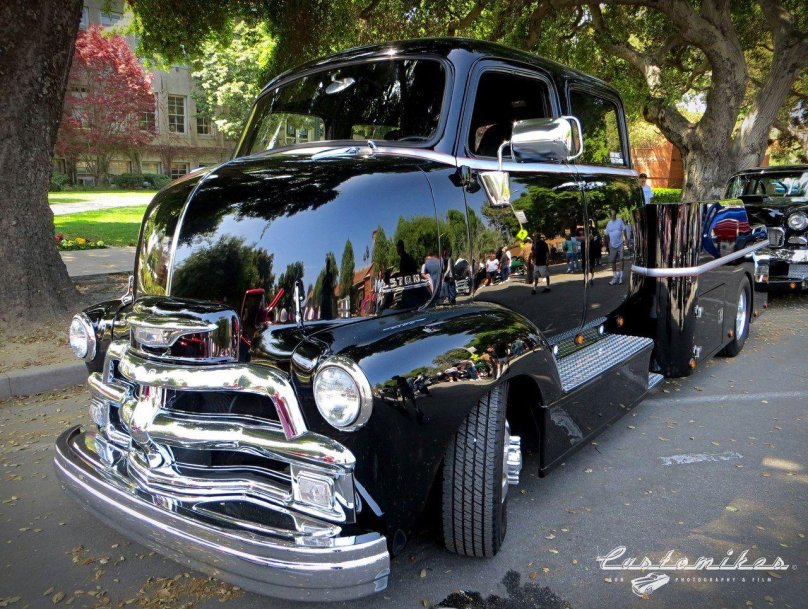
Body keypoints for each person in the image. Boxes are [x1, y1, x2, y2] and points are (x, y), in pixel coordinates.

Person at [605, 210, 628, 285]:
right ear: (610, 216)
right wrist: (609, 242)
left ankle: (621, 276)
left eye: (614, 215)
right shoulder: (608, 224)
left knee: (621, 259)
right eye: (612, 215)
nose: (613, 216)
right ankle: (615, 277)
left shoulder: (619, 221)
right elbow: (606, 234)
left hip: (620, 243)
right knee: (613, 261)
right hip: (612, 245)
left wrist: (626, 239)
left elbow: (624, 229)